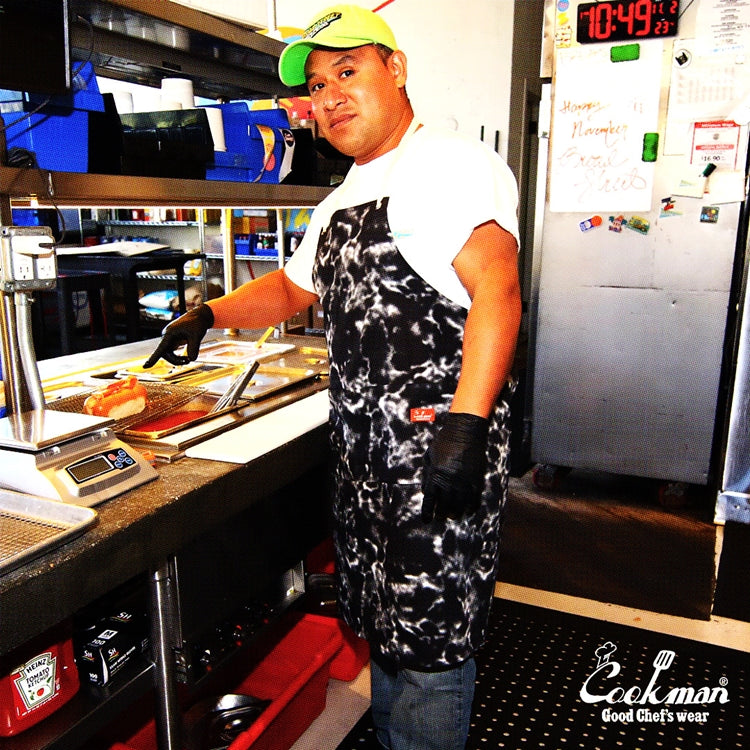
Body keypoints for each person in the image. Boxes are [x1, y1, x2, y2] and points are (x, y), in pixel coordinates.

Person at [144, 5, 521, 749]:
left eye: (348, 71)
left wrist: (467, 426)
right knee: (384, 623)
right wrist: (207, 314)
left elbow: (499, 294)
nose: (330, 96)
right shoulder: (345, 195)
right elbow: (292, 289)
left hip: (433, 454)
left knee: (432, 641)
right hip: (364, 459)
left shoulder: (450, 163)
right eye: (317, 85)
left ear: (396, 68)